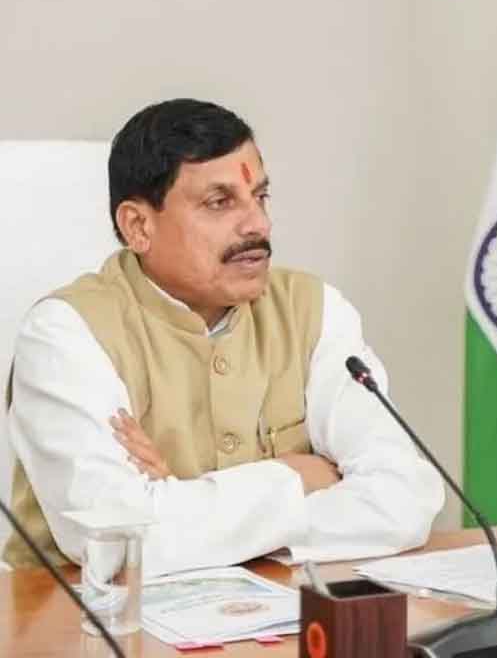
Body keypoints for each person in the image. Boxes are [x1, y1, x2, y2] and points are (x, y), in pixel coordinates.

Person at [4, 98, 444, 576]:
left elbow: (406, 500)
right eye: (220, 202)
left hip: (275, 613)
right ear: (138, 225)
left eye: (260, 197)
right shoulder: (67, 333)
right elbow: (116, 545)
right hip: (84, 618)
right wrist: (297, 476)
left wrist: (177, 503)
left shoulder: (315, 310)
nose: (258, 224)